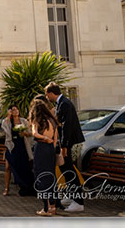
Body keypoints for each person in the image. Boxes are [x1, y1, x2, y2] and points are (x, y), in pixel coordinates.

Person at [46, 82, 85, 212]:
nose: (47, 97)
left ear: (51, 93)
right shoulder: (62, 103)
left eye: (47, 94)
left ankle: (78, 202)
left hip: (69, 143)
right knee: (66, 170)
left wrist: (64, 145)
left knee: (69, 171)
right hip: (67, 143)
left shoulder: (64, 104)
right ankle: (71, 195)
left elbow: (67, 127)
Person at [30, 98, 60, 217]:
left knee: (40, 177)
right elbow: (56, 138)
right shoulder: (52, 120)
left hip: (41, 148)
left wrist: (44, 138)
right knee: (51, 176)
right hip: (50, 150)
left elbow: (34, 133)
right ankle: (53, 206)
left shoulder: (36, 120)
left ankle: (46, 208)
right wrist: (51, 145)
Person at [2, 104, 34, 196]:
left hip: (22, 146)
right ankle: (6, 188)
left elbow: (30, 133)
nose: (15, 111)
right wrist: (8, 116)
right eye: (13, 110)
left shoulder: (23, 121)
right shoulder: (7, 121)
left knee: (24, 167)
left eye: (16, 109)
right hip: (11, 147)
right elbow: (5, 128)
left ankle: (26, 186)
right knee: (8, 167)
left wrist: (24, 133)